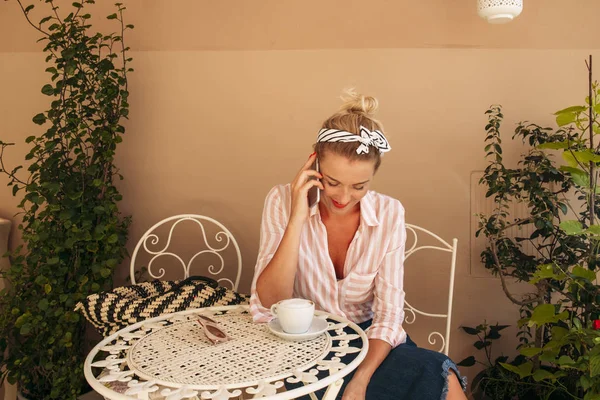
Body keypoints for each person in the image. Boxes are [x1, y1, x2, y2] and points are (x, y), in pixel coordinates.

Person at [250, 89, 467, 400]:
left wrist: (360, 381)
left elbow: (389, 316)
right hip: (306, 344)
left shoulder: (390, 212)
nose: (342, 197)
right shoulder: (282, 201)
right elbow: (272, 300)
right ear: (314, 165)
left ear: (374, 175)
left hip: (372, 344)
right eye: (332, 182)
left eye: (359, 186)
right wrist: (298, 215)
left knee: (438, 375)